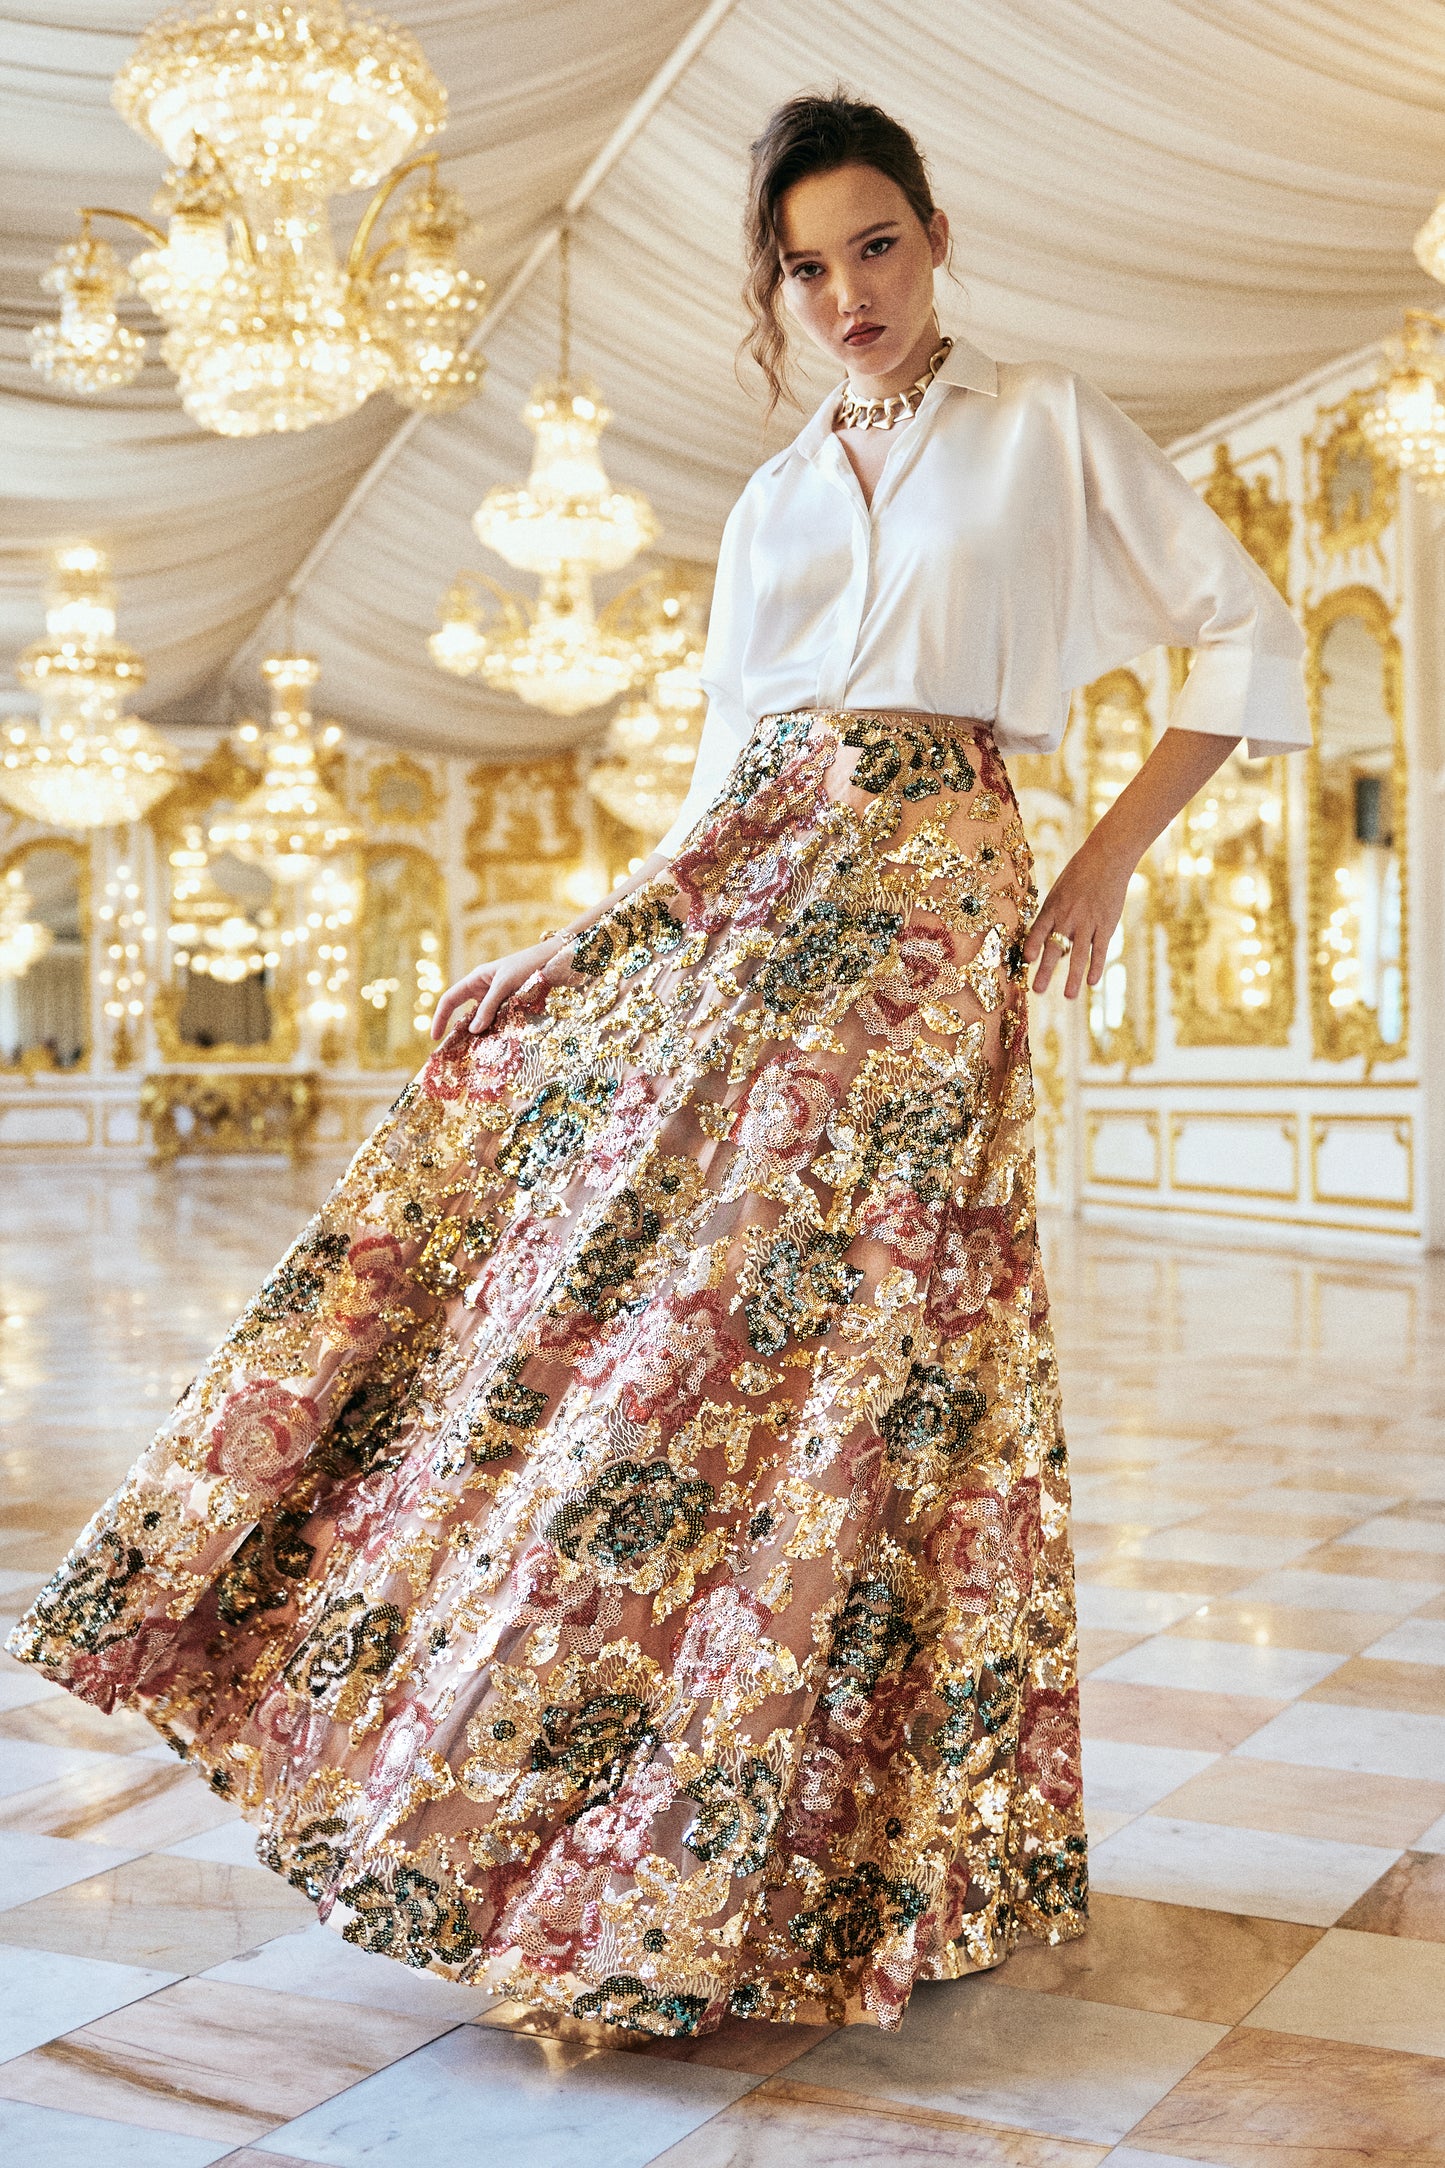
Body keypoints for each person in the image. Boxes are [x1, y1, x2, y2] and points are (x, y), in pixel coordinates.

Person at [7, 92, 1309, 2038]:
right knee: (696, 1336)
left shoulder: (1047, 424)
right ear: (772, 292)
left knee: (889, 1357)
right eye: (806, 267)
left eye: (875, 246)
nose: (846, 293)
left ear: (934, 235)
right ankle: (623, 1827)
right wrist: (555, 956)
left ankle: (860, 1855)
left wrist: (1106, 852)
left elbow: (1246, 635)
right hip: (758, 900)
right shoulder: (775, 498)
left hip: (945, 891)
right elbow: (714, 786)